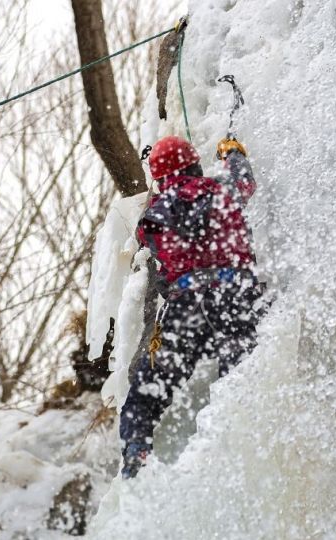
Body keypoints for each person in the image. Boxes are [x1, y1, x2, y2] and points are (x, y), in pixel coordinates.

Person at [119, 135, 267, 479]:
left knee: (148, 388)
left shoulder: (152, 217)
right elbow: (245, 182)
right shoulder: (222, 191)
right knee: (241, 381)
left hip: (187, 308)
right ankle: (239, 453)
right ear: (194, 163)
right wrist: (232, 152)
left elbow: (154, 232)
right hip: (235, 297)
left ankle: (136, 453)